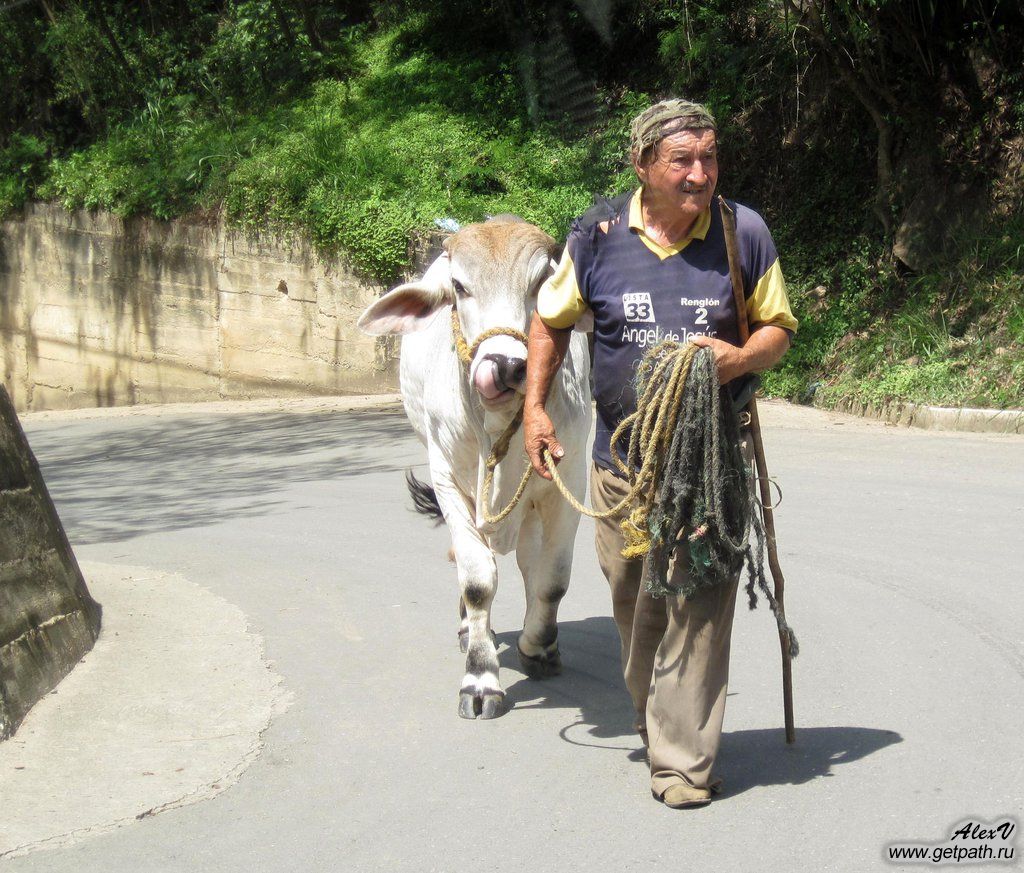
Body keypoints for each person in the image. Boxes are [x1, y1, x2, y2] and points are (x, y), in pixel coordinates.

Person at [523, 98, 798, 809]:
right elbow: (550, 322)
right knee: (634, 603)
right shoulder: (596, 235)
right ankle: (659, 716)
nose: (700, 173)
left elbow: (777, 329)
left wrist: (738, 360)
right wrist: (533, 408)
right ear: (642, 164)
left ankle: (683, 763)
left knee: (699, 610)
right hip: (623, 470)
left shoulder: (743, 233)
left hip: (707, 468)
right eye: (683, 159)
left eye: (709, 158)